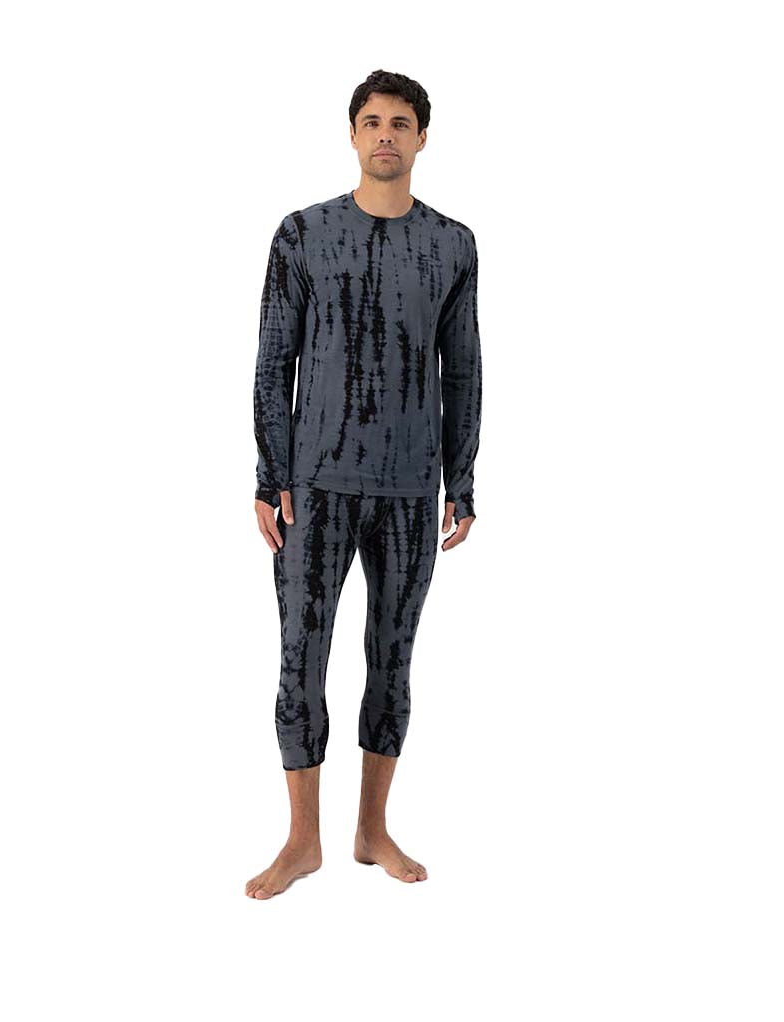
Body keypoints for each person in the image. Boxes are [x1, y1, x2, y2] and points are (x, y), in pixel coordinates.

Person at [247, 69, 482, 899]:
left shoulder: (453, 245)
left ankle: (371, 830)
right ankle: (301, 840)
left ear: (422, 138)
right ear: (353, 135)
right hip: (315, 487)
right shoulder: (302, 234)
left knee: (392, 659)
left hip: (411, 489)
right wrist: (270, 475)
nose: (386, 133)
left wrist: (462, 479)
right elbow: (274, 362)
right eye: (373, 120)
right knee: (299, 660)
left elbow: (464, 370)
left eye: (401, 122)